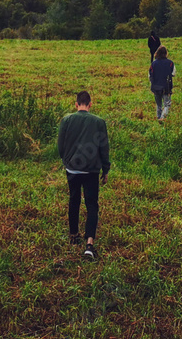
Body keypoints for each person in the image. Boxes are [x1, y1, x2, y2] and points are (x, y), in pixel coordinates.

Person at [57, 90, 110, 260]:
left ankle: (73, 235)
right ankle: (89, 244)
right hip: (91, 170)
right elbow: (104, 148)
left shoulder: (67, 120)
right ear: (90, 104)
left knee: (74, 199)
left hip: (72, 169)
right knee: (92, 204)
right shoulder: (99, 122)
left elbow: (60, 146)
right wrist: (105, 169)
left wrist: (67, 161)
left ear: (76, 104)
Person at [149, 44, 175, 123]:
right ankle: (162, 117)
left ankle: (158, 117)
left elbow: (150, 75)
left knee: (158, 104)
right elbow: (173, 73)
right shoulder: (170, 63)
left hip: (156, 86)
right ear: (166, 53)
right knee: (167, 104)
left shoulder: (153, 63)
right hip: (166, 86)